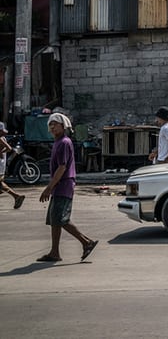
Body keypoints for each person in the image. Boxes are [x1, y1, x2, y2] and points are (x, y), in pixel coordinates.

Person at [37, 113, 98, 263]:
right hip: (59, 185)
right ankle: (54, 252)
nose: (52, 127)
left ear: (63, 126)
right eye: (50, 124)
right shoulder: (58, 142)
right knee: (55, 219)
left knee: (60, 218)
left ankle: (86, 242)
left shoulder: (64, 142)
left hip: (63, 185)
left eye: (55, 124)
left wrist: (49, 187)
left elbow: (62, 167)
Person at [0, 122, 26, 209]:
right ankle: (17, 197)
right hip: (1, 166)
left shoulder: (0, 138)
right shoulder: (2, 137)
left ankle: (17, 196)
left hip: (0, 166)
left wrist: (0, 152)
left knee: (1, 184)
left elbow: (9, 148)